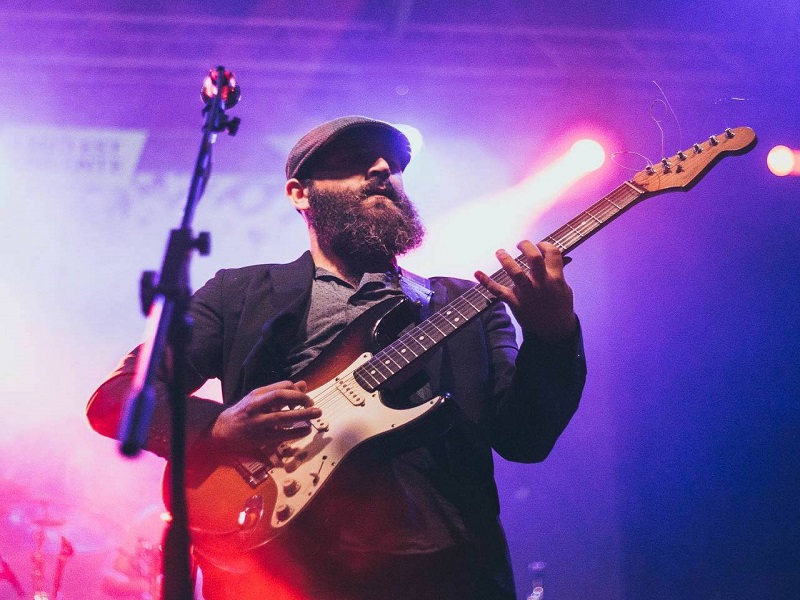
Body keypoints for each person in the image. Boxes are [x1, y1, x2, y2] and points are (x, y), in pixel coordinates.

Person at [87, 116, 587, 600]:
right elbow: (118, 398)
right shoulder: (239, 295)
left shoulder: (467, 306)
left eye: (391, 165)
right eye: (354, 161)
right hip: (278, 573)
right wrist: (218, 427)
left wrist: (553, 333)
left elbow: (526, 438)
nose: (382, 172)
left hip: (446, 573)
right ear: (299, 193)